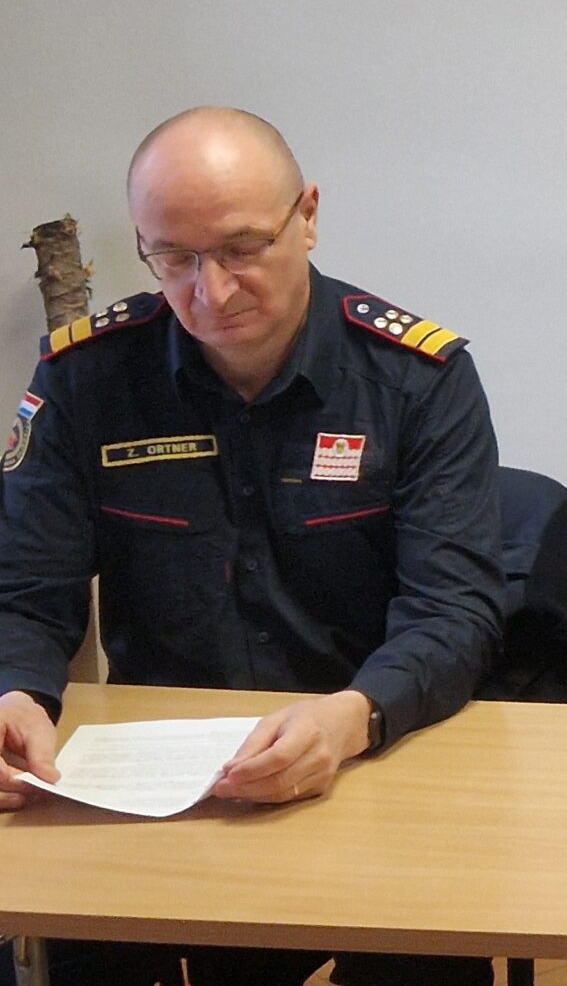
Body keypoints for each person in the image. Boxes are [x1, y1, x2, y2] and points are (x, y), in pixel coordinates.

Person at [0, 107, 505, 986]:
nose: (212, 291)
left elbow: (455, 609)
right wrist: (15, 691)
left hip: (371, 750)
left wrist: (355, 716)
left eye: (241, 248)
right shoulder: (85, 376)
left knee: (428, 955)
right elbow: (23, 587)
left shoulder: (417, 379)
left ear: (306, 216)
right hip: (154, 777)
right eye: (174, 257)